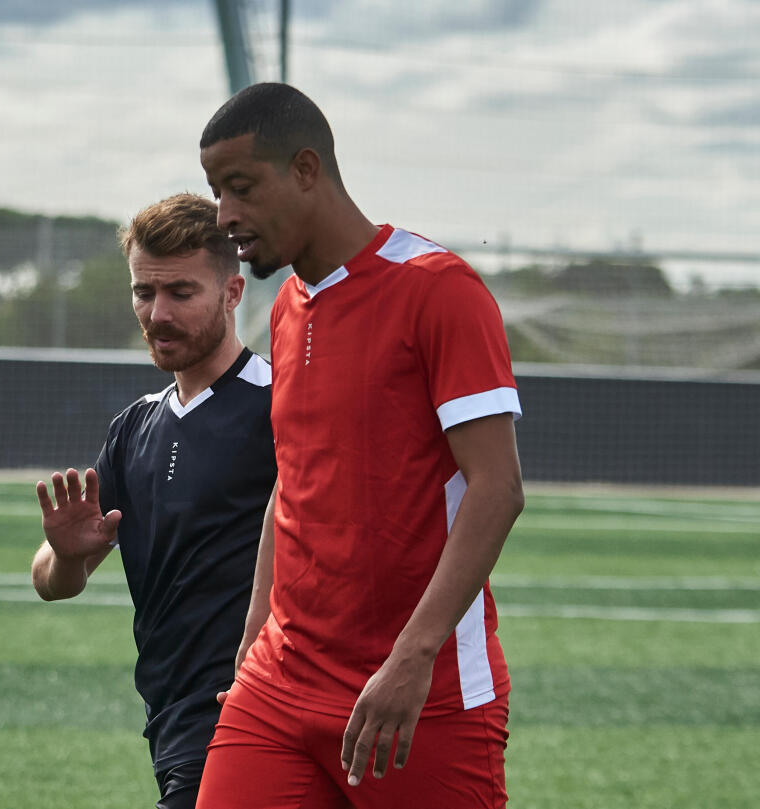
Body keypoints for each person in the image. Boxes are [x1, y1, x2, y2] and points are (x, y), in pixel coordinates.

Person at [193, 83, 525, 809]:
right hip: (280, 683)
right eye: (217, 192)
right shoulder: (283, 307)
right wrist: (255, 631)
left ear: (306, 169)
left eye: (240, 187)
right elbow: (296, 475)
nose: (225, 217)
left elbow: (498, 489)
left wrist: (411, 659)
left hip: (419, 694)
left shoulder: (438, 289)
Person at [31, 193, 275, 809]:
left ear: (232, 292)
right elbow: (53, 582)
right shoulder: (134, 427)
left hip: (250, 711)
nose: (157, 313)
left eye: (181, 293)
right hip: (170, 716)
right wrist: (66, 554)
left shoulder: (282, 407)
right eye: (144, 292)